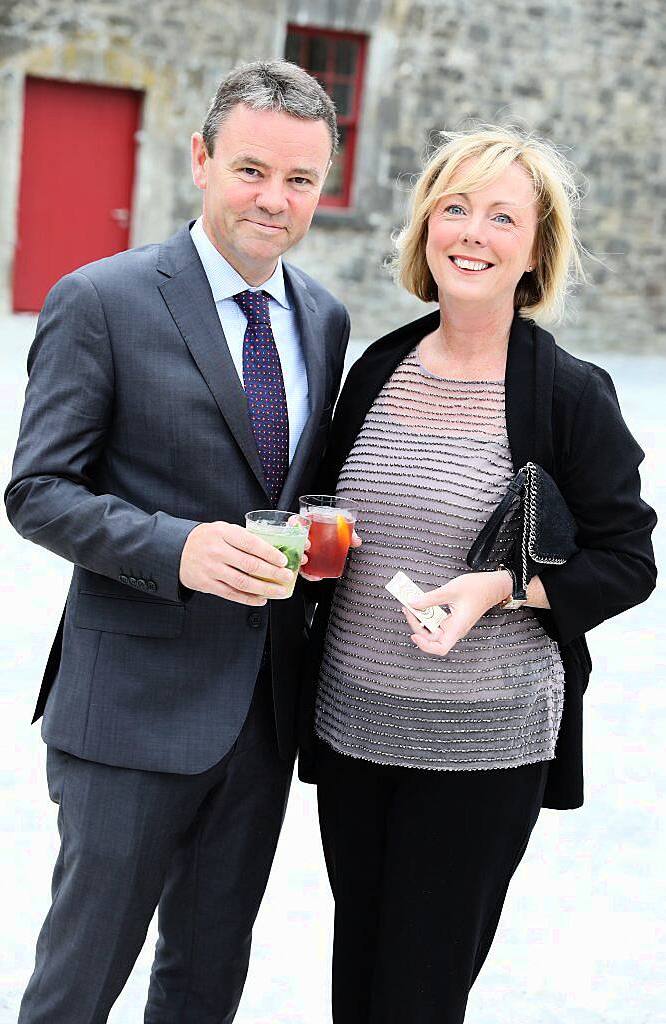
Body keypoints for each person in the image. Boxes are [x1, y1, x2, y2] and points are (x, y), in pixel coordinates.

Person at [5, 59, 350, 1023]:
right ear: (199, 159)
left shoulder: (323, 318)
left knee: (204, 984)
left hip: (259, 716)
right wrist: (175, 547)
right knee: (78, 984)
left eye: (299, 179)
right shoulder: (101, 299)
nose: (272, 200)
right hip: (129, 709)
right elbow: (36, 491)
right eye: (250, 170)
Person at [298, 124, 657, 1023]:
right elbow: (332, 510)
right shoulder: (376, 367)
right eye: (454, 207)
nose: (471, 231)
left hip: (482, 747)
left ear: (534, 251)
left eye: (502, 217)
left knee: (417, 994)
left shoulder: (566, 394)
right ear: (424, 226)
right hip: (351, 730)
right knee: (358, 976)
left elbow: (627, 559)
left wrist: (499, 586)